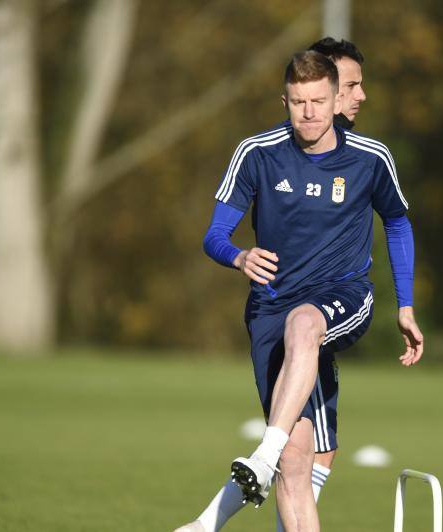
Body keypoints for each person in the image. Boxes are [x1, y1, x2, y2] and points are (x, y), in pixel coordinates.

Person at [179, 50, 423, 532]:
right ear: (285, 100)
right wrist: (239, 256)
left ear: (336, 100)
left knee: (305, 323)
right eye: (297, 102)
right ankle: (272, 458)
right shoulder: (257, 152)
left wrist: (406, 305)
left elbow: (397, 222)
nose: (308, 112)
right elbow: (214, 236)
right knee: (297, 464)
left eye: (317, 100)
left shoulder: (370, 159)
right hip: (269, 306)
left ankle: (262, 453)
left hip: (343, 293)